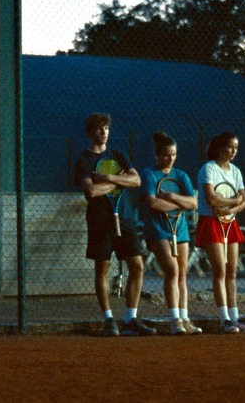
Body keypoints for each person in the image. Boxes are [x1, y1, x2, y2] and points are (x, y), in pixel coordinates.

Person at [74, 113, 156, 337]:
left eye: (107, 127)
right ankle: (109, 319)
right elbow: (91, 191)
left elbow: (136, 180)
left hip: (125, 218)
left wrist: (107, 179)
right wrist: (119, 180)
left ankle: (131, 319)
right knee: (102, 269)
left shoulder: (119, 155)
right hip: (100, 221)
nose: (104, 132)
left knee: (137, 266)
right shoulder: (84, 159)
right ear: (91, 132)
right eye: (99, 128)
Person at [140, 131, 202, 335]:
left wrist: (171, 196)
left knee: (182, 274)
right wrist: (178, 204)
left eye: (174, 154)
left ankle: (185, 320)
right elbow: (152, 203)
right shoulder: (149, 174)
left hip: (180, 230)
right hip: (157, 230)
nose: (171, 158)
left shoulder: (181, 176)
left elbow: (193, 203)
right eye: (166, 154)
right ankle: (174, 320)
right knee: (172, 270)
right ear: (158, 154)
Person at [196, 131, 245, 333]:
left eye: (236, 147)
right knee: (220, 271)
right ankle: (224, 320)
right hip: (211, 222)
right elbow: (211, 199)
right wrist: (235, 201)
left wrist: (230, 209)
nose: (233, 151)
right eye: (230, 146)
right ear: (220, 147)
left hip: (230, 223)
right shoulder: (208, 169)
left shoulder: (236, 171)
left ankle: (235, 318)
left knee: (231, 271)